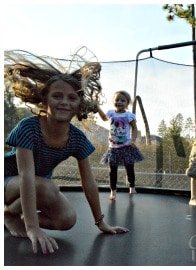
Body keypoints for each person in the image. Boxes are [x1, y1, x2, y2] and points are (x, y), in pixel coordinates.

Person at [4, 49, 129, 254]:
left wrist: (101, 222)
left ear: (79, 105)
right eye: (57, 96)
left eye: (72, 98)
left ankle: (14, 214)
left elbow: (88, 182)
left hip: (38, 188)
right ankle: (10, 214)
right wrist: (33, 228)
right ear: (45, 101)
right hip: (9, 182)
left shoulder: (77, 139)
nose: (64, 102)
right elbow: (26, 175)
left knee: (67, 219)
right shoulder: (28, 127)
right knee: (44, 185)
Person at [97, 90, 144, 200]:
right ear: (113, 101)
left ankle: (132, 187)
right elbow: (104, 118)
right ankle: (113, 191)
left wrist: (133, 140)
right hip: (113, 148)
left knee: (130, 168)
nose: (119, 102)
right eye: (117, 100)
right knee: (112, 171)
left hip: (127, 146)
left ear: (127, 103)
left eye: (123, 100)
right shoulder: (111, 113)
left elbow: (135, 128)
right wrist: (98, 109)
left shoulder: (129, 115)